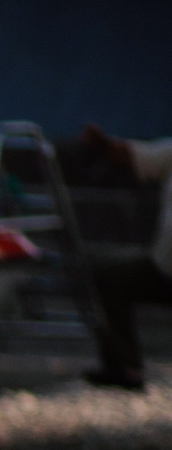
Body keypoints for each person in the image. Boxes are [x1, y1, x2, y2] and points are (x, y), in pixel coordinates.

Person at [78, 124, 172, 390]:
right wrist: (103, 145)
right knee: (109, 278)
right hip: (165, 269)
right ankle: (124, 366)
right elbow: (134, 156)